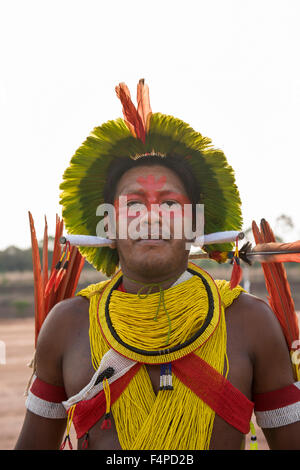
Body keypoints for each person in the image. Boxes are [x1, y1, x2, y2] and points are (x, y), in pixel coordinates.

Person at [15, 80, 300, 450]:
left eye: (169, 205)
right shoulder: (67, 326)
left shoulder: (250, 322)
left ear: (196, 226)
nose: (151, 217)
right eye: (133, 204)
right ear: (109, 227)